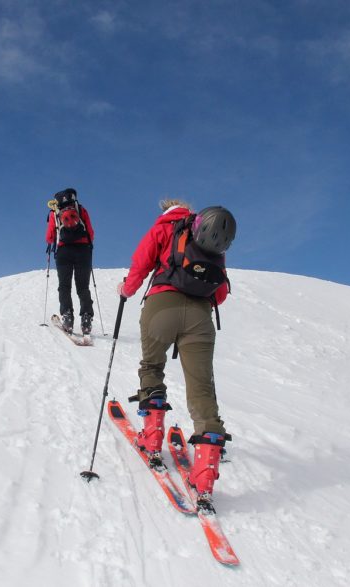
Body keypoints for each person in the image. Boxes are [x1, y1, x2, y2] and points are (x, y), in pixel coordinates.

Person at [118, 199, 236, 501]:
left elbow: (141, 262)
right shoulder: (209, 238)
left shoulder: (165, 227)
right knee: (202, 388)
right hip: (200, 316)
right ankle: (205, 474)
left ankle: (153, 436)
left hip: (161, 307)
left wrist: (126, 290)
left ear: (167, 210)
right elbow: (219, 293)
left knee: (152, 367)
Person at [45, 188, 95, 335]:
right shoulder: (80, 209)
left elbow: (49, 237)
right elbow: (90, 232)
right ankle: (86, 318)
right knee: (83, 287)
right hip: (83, 251)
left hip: (64, 252)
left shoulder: (54, 213)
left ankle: (67, 316)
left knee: (64, 286)